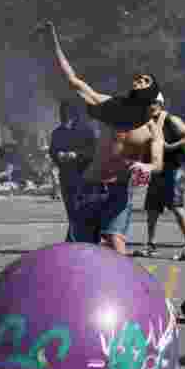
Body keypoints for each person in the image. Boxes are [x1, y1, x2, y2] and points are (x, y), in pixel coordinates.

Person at [45, 20, 165, 256]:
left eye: (145, 80)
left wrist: (146, 166)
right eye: (137, 78)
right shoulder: (111, 106)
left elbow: (158, 162)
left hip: (119, 190)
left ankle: (125, 290)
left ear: (154, 97)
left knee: (116, 243)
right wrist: (52, 41)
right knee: (80, 251)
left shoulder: (153, 129)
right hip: (89, 186)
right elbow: (73, 81)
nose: (139, 80)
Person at [140, 97, 185, 260]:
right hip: (158, 169)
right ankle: (151, 245)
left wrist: (171, 146)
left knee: (175, 205)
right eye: (147, 103)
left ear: (160, 104)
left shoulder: (171, 119)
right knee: (152, 208)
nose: (150, 106)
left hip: (176, 167)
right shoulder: (147, 122)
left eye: (153, 103)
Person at [49, 101, 97, 241]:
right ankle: (75, 238)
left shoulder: (86, 130)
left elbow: (93, 151)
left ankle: (76, 239)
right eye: (63, 114)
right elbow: (52, 150)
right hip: (66, 176)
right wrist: (58, 155)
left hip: (83, 175)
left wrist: (76, 155)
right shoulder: (57, 132)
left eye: (67, 114)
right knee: (71, 209)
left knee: (82, 209)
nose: (65, 117)